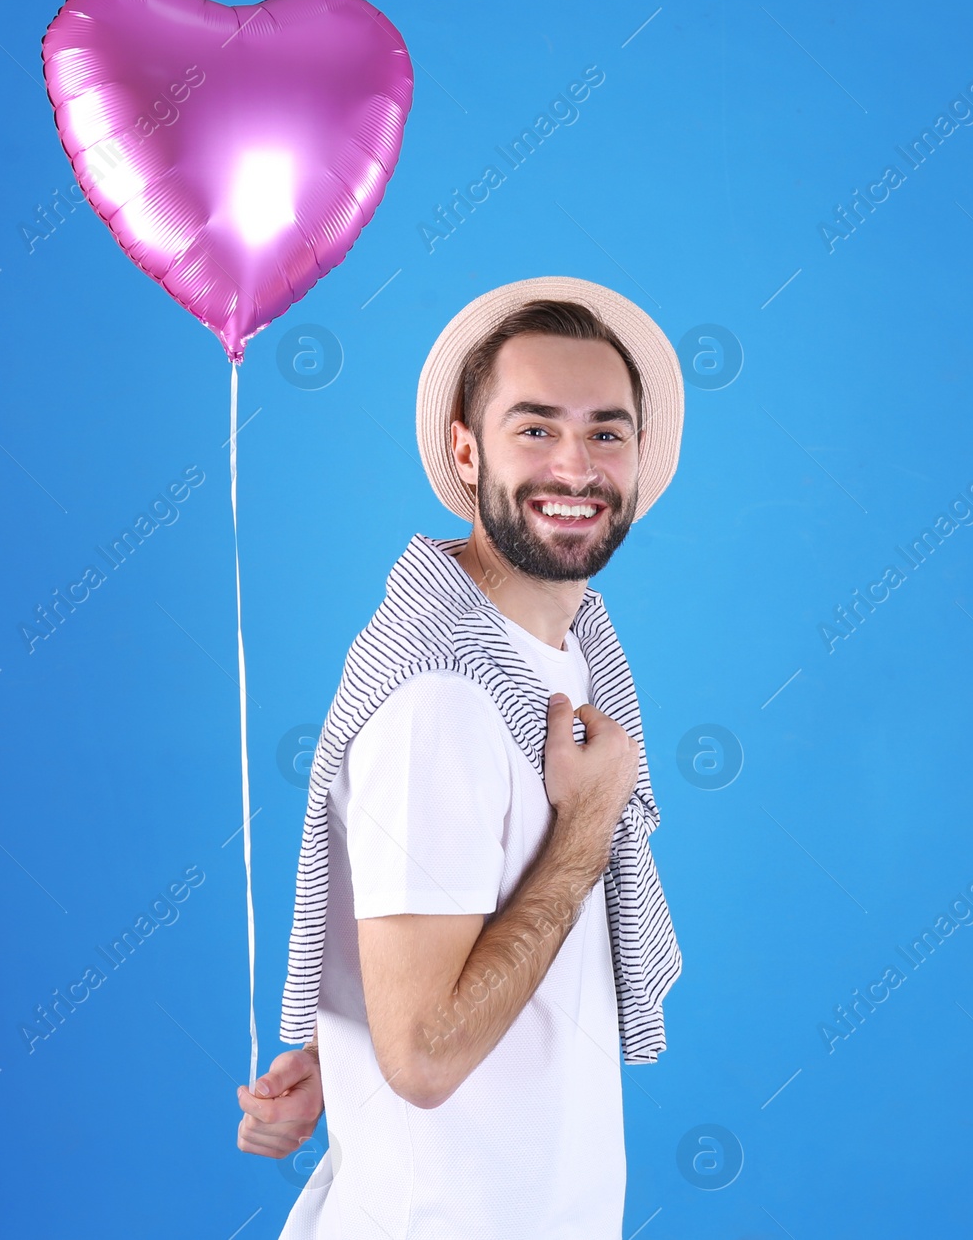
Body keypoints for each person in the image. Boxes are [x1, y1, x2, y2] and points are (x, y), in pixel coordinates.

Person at [237, 276, 685, 1237]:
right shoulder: (443, 694)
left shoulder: (567, 654)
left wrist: (345, 1041)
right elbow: (427, 1055)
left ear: (640, 459)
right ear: (465, 446)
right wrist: (587, 826)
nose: (576, 465)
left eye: (606, 431)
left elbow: (425, 980)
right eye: (535, 428)